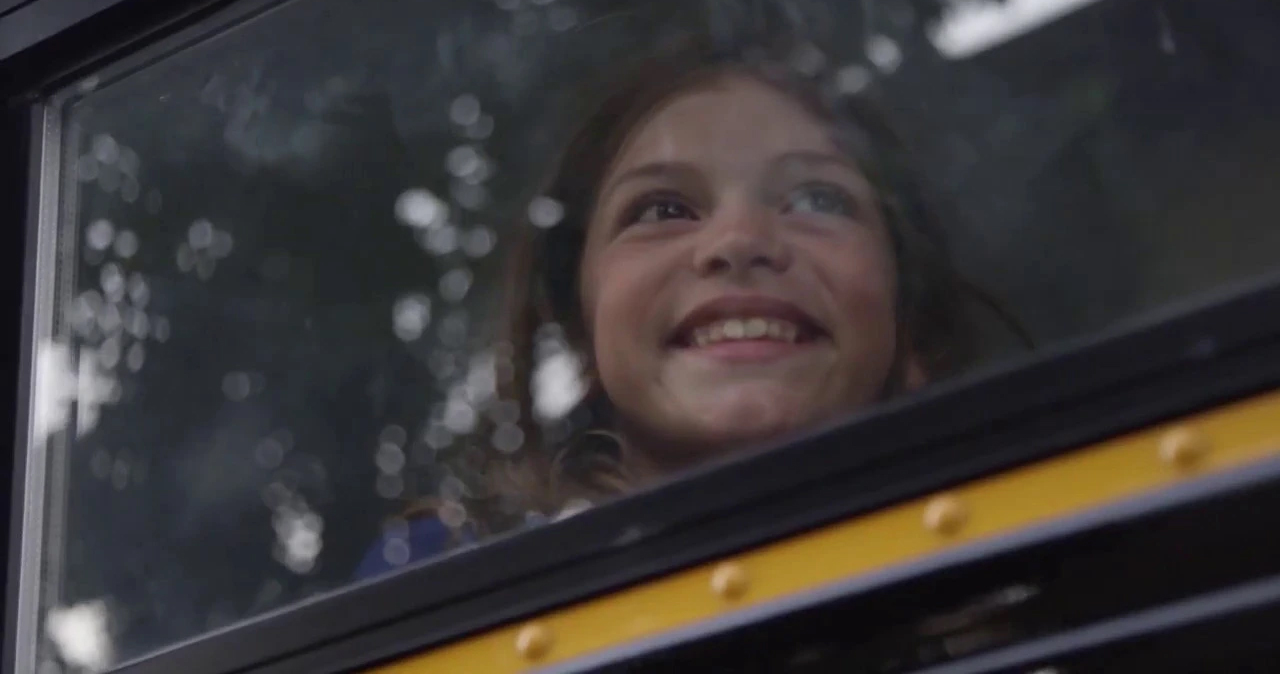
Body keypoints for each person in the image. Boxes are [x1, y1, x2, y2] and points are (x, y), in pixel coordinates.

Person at [355, 32, 1020, 578]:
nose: (740, 240)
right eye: (663, 209)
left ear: (907, 314)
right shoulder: (438, 574)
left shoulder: (1031, 536)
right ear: (581, 322)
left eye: (818, 198)